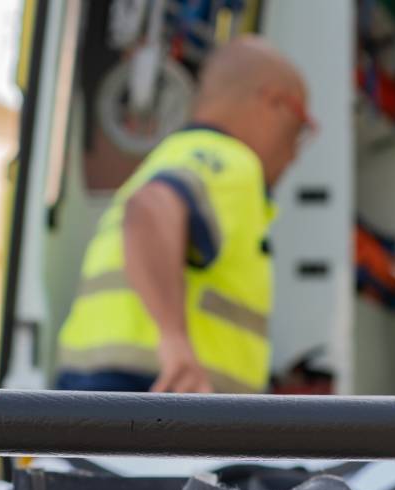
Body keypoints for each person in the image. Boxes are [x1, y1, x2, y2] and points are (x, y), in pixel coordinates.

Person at [54, 36, 314, 393]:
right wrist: (175, 341)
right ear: (272, 102)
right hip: (156, 404)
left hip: (92, 405)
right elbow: (150, 208)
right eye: (300, 126)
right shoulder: (230, 163)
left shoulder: (171, 155)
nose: (295, 153)